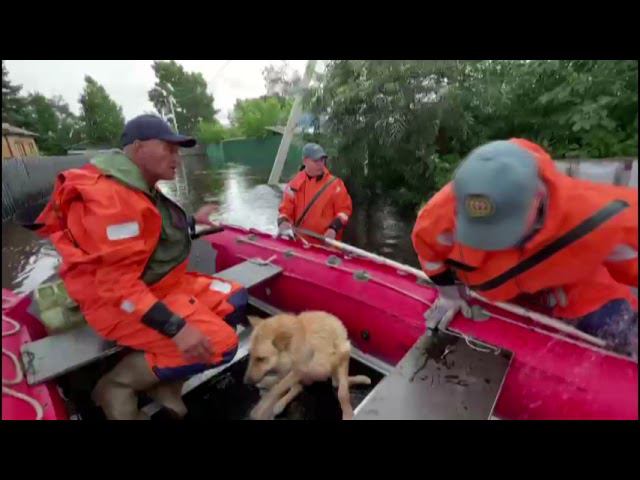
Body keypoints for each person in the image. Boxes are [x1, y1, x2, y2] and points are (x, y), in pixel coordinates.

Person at [32, 115, 247, 419]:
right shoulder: (113, 201)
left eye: (178, 151)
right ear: (137, 146)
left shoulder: (137, 186)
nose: (177, 158)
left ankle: (166, 382)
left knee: (234, 298)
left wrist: (191, 222)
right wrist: (176, 328)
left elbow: (148, 231)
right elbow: (118, 287)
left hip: (158, 285)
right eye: (169, 149)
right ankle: (117, 386)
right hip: (119, 304)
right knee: (221, 345)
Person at [412, 138, 638, 356]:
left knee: (620, 328)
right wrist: (449, 294)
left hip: (572, 286)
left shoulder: (601, 218)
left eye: (500, 230)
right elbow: (428, 250)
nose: (491, 242)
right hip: (497, 289)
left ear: (538, 198)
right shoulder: (442, 214)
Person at [277, 143, 352, 243]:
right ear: (305, 161)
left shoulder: (336, 185)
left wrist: (333, 229)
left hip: (327, 245)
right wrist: (283, 223)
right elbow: (285, 211)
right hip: (299, 244)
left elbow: (344, 212)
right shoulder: (294, 185)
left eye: (322, 160)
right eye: (316, 161)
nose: (321, 164)